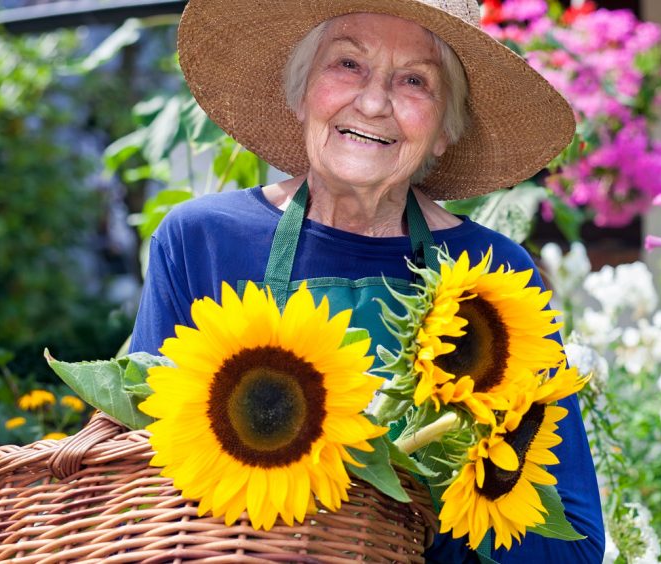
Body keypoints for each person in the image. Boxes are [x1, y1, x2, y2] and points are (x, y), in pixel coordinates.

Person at [128, 0, 604, 561]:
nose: (374, 102)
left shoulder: (495, 276)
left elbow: (573, 540)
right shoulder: (202, 241)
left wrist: (424, 513)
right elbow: (140, 471)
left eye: (414, 81)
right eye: (348, 64)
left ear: (445, 130)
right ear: (301, 90)